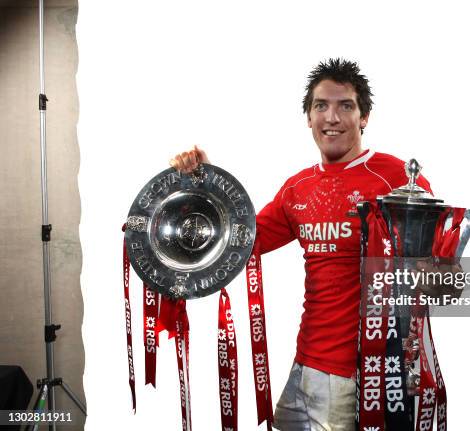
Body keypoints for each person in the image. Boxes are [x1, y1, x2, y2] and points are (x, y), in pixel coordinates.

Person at [171, 58, 445, 431]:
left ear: (364, 117)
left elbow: (440, 265)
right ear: (308, 117)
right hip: (303, 367)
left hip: (354, 377)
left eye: (345, 106)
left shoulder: (394, 176)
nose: (332, 117)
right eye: (321, 106)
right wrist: (202, 186)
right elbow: (240, 241)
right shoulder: (298, 187)